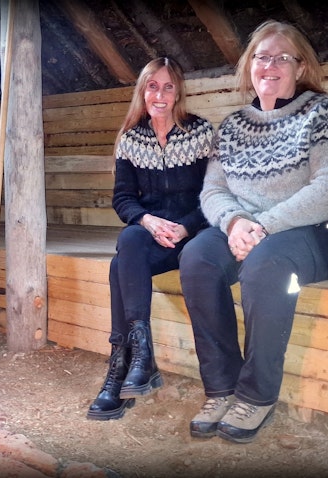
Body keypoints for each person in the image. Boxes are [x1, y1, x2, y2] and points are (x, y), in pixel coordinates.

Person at [178, 20, 328, 442]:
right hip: (251, 230)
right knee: (196, 258)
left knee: (269, 264)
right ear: (249, 66)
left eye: (282, 57)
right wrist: (235, 222)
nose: (270, 64)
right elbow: (212, 190)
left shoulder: (323, 112)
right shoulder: (231, 127)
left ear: (300, 68)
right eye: (261, 57)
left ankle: (257, 394)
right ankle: (221, 387)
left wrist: (262, 226)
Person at [87, 57, 215, 420]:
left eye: (168, 86)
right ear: (143, 91)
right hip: (151, 237)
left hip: (194, 240)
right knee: (129, 239)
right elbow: (123, 198)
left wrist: (186, 226)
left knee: (119, 266)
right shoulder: (130, 140)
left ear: (178, 93)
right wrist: (146, 221)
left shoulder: (201, 133)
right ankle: (136, 358)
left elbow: (216, 195)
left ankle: (125, 368)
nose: (160, 94)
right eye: (152, 86)